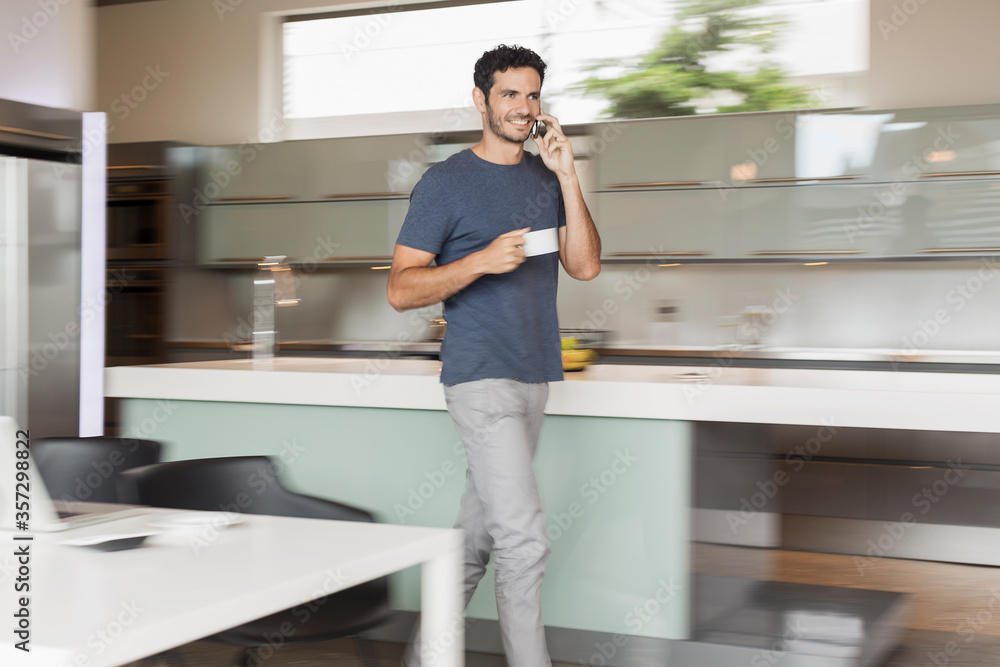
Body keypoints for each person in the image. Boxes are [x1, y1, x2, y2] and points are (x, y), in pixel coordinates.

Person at [387, 44, 601, 667]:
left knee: (478, 539)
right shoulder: (445, 183)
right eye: (510, 94)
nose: (524, 107)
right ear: (480, 99)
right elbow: (401, 289)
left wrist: (567, 172)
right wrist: (481, 260)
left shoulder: (544, 176)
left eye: (533, 94)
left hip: (534, 376)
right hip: (480, 377)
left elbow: (584, 266)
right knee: (525, 543)